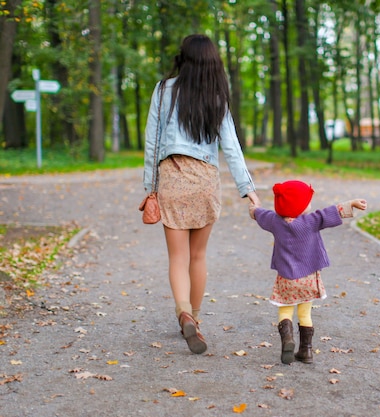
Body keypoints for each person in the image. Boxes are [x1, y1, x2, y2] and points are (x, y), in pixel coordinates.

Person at [143, 34, 260, 354]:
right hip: (206, 180)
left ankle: (182, 313)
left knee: (177, 258)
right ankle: (195, 317)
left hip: (173, 179)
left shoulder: (163, 90)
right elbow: (232, 147)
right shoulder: (216, 95)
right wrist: (248, 190)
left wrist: (150, 188)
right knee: (198, 256)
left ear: (182, 58)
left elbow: (152, 144)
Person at [248, 180, 367, 364]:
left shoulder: (274, 221)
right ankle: (306, 351)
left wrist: (254, 209)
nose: (310, 205)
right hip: (309, 278)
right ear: (300, 205)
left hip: (286, 279)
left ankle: (287, 339)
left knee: (285, 311)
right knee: (305, 314)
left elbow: (260, 214)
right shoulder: (311, 221)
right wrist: (351, 203)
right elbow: (330, 212)